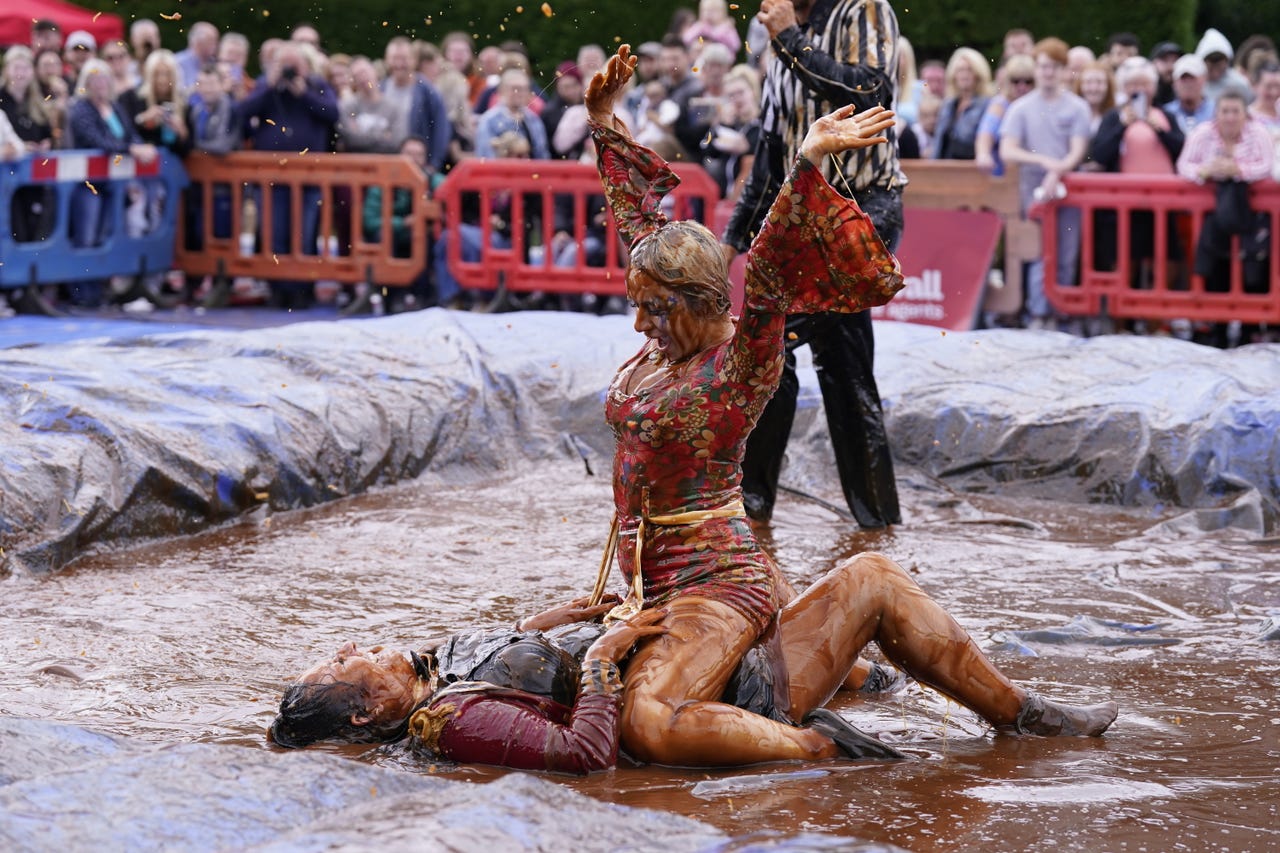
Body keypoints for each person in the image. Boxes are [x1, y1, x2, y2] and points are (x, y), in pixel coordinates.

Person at [722, 0, 903, 529]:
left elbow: (872, 91)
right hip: (802, 213)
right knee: (845, 369)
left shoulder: (862, 9)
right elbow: (771, 153)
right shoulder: (780, 43)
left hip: (860, 208)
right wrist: (732, 239)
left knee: (770, 340)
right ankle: (877, 522)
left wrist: (791, 42)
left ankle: (749, 508)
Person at [1000, 37, 1091, 329]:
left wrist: (1059, 170)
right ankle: (1038, 314)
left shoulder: (1078, 108)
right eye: (1042, 67)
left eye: (1053, 67)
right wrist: (1043, 162)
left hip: (1069, 191)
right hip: (1031, 192)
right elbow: (1007, 150)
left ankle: (1061, 312)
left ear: (1064, 70)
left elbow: (1077, 150)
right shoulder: (1020, 108)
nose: (1047, 72)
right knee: (1038, 252)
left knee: (1066, 251)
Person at [931, 46, 993, 160]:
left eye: (969, 70)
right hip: (944, 169)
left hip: (971, 169)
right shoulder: (948, 105)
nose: (964, 75)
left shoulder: (987, 104)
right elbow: (938, 143)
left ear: (978, 74)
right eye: (960, 70)